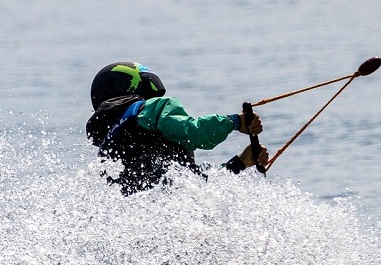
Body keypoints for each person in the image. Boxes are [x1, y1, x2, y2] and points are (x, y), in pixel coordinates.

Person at [86, 62, 268, 195]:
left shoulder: (107, 148)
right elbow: (194, 133)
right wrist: (235, 122)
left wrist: (241, 162)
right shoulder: (150, 108)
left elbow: (183, 182)